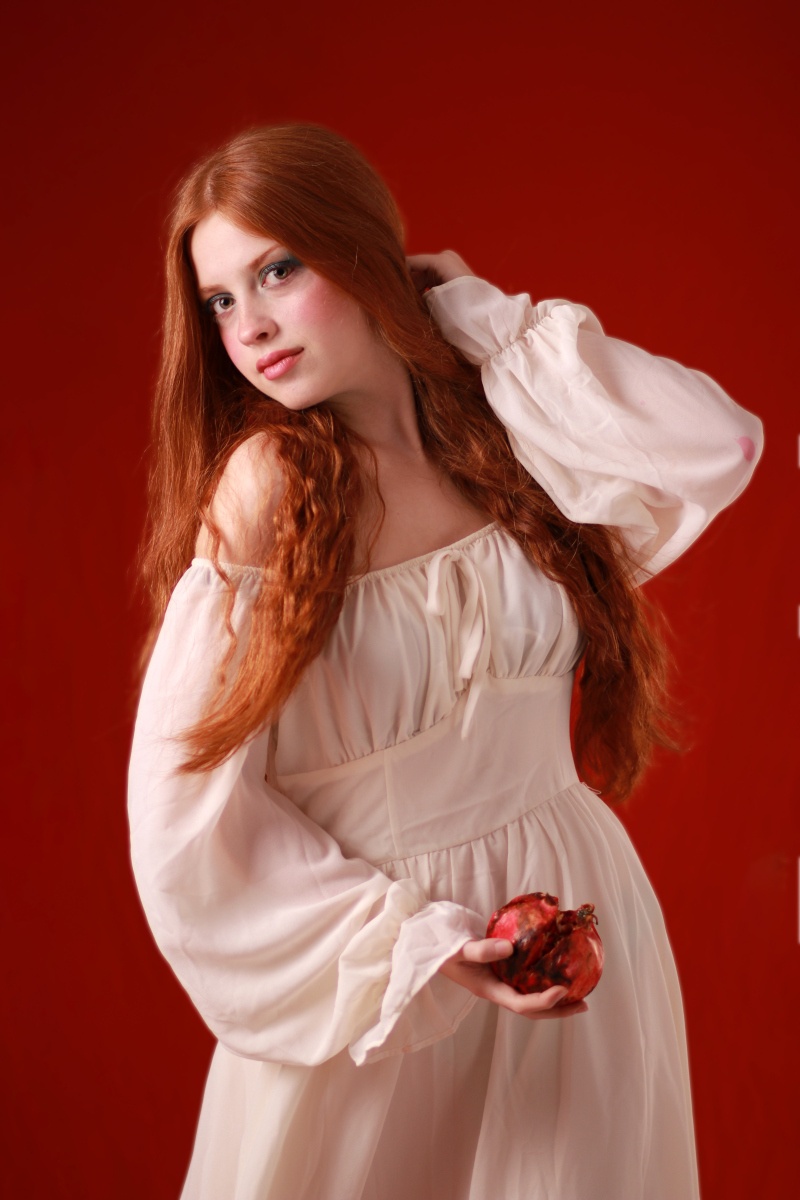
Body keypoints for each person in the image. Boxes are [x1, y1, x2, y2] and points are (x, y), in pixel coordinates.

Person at [128, 124, 762, 1200]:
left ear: (367, 252)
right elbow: (185, 812)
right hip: (387, 980)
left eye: (279, 269)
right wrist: (414, 952)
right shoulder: (269, 486)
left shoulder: (507, 431)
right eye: (220, 301)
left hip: (576, 925)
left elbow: (716, 444)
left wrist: (479, 318)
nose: (251, 326)